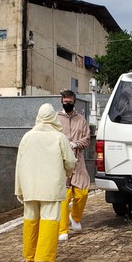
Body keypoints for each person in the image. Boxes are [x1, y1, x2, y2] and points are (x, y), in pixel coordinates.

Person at [15, 103, 77, 262]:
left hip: (29, 187)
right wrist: (68, 171)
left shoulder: (27, 137)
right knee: (49, 220)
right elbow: (70, 162)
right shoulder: (59, 137)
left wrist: (19, 189)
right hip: (50, 187)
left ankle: (30, 255)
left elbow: (19, 165)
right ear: (53, 118)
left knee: (30, 219)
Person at [57, 90, 91, 242]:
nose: (68, 104)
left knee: (82, 192)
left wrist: (76, 144)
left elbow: (87, 138)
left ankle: (75, 217)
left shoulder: (81, 120)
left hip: (78, 161)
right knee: (64, 197)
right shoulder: (56, 118)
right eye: (66, 102)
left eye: (70, 102)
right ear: (61, 101)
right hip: (61, 162)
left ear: (75, 102)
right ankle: (62, 229)